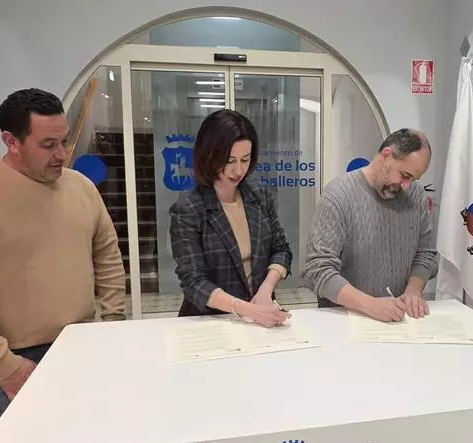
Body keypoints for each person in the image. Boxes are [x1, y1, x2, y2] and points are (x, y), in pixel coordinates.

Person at [0, 88, 126, 429]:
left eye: (64, 141)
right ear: (11, 141)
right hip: (15, 358)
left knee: (89, 442)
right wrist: (4, 365)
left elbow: (107, 256)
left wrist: (112, 323)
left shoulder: (82, 188)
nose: (62, 154)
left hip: (83, 346)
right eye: (48, 145)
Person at [169, 109, 291, 327]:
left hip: (260, 314)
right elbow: (194, 281)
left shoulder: (259, 196)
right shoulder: (189, 208)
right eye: (229, 160)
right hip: (210, 320)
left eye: (245, 159)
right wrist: (246, 309)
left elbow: (281, 249)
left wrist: (266, 290)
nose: (238, 170)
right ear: (209, 156)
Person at [301, 128, 438, 322]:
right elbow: (318, 269)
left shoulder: (415, 195)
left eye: (413, 179)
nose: (407, 186)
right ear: (386, 155)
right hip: (345, 321)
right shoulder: (339, 196)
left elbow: (426, 254)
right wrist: (370, 305)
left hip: (399, 320)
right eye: (404, 175)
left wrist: (413, 292)